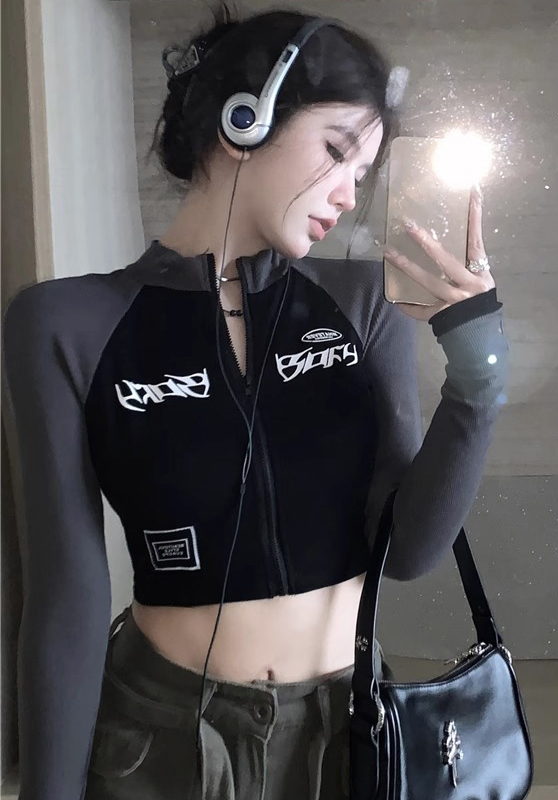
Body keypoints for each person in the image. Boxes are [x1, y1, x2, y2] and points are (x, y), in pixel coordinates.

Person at [3, 6, 509, 800]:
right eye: (336, 150)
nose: (347, 193)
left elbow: (408, 551)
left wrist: (479, 380)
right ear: (247, 117)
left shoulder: (361, 306)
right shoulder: (65, 323)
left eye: (362, 172)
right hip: (159, 742)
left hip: (347, 735)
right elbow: (66, 596)